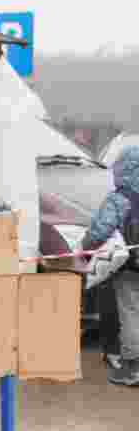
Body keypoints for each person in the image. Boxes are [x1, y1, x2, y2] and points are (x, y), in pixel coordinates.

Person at [81, 145, 139, 386]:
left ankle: (134, 369)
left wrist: (86, 246)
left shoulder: (120, 199)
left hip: (130, 268)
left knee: (131, 314)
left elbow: (99, 231)